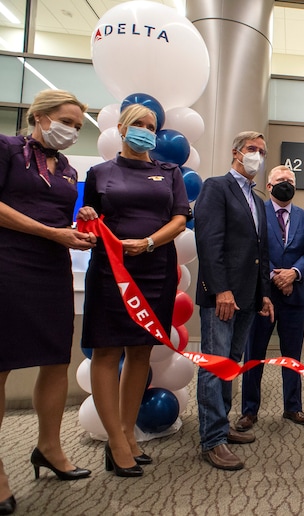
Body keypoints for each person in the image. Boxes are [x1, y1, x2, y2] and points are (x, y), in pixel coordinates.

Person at [81, 104, 190, 477]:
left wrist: (147, 243)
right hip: (111, 272)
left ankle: (128, 432)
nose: (146, 130)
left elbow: (179, 220)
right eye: (138, 124)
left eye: (151, 126)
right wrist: (86, 218)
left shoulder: (169, 172)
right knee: (107, 351)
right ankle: (114, 439)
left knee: (141, 351)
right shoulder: (100, 173)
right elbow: (88, 221)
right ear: (122, 128)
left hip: (156, 269)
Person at [0, 89, 93, 514]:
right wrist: (52, 232)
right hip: (8, 263)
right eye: (66, 121)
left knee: (56, 359)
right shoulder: (7, 150)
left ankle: (49, 448)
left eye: (77, 126)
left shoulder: (68, 169)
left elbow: (57, 216)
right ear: (39, 116)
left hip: (52, 268)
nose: (71, 130)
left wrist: (80, 220)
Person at [195, 131, 274, 470]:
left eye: (262, 151)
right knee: (215, 366)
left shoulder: (257, 200)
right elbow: (208, 241)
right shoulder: (216, 187)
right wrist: (220, 289)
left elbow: (261, 253)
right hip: (223, 296)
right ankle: (212, 439)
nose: (257, 155)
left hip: (248, 297)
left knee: (230, 365)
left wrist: (264, 294)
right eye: (252, 149)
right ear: (236, 153)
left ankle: (222, 425)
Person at [236, 165, 304, 432]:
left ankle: (293, 407)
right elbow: (252, 248)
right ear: (269, 186)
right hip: (262, 296)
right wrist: (275, 275)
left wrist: (293, 273)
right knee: (254, 354)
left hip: (295, 297)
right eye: (281, 180)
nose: (287, 184)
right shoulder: (256, 212)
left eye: (290, 181)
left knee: (292, 356)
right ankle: (249, 411)